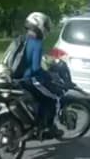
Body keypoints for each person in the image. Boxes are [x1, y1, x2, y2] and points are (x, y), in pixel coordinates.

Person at [21, 11, 63, 139]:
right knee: (53, 98)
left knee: (40, 98)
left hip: (18, 79)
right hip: (30, 79)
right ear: (39, 25)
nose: (47, 29)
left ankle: (36, 123)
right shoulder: (37, 44)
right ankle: (48, 128)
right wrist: (48, 75)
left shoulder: (23, 39)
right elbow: (35, 68)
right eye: (45, 25)